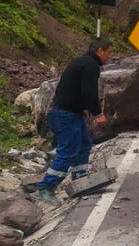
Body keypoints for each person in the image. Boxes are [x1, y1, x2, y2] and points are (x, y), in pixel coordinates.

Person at [35, 38, 113, 206]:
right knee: (69, 151)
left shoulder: (83, 63)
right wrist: (97, 113)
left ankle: (81, 182)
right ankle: (45, 188)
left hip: (70, 112)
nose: (110, 56)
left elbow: (74, 88)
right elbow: (88, 91)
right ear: (100, 51)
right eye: (109, 52)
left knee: (84, 144)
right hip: (63, 115)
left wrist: (82, 108)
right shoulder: (90, 66)